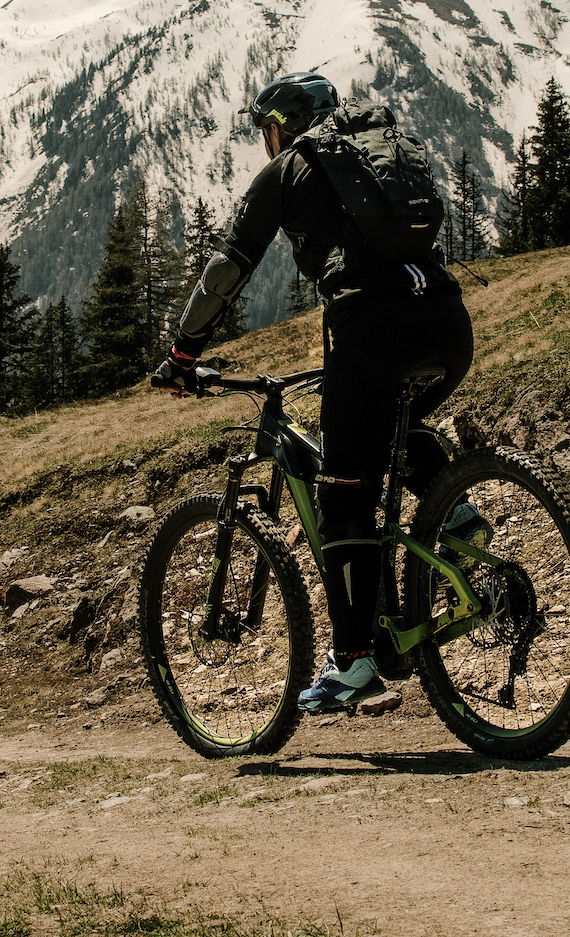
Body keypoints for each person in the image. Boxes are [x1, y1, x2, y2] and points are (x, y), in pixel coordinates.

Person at [153, 71, 475, 713]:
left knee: (344, 497)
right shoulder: (380, 154)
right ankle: (460, 518)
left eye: (268, 130)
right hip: (446, 321)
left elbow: (228, 268)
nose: (268, 142)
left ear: (284, 127)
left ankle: (353, 663)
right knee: (389, 434)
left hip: (371, 331)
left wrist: (183, 352)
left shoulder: (289, 170)